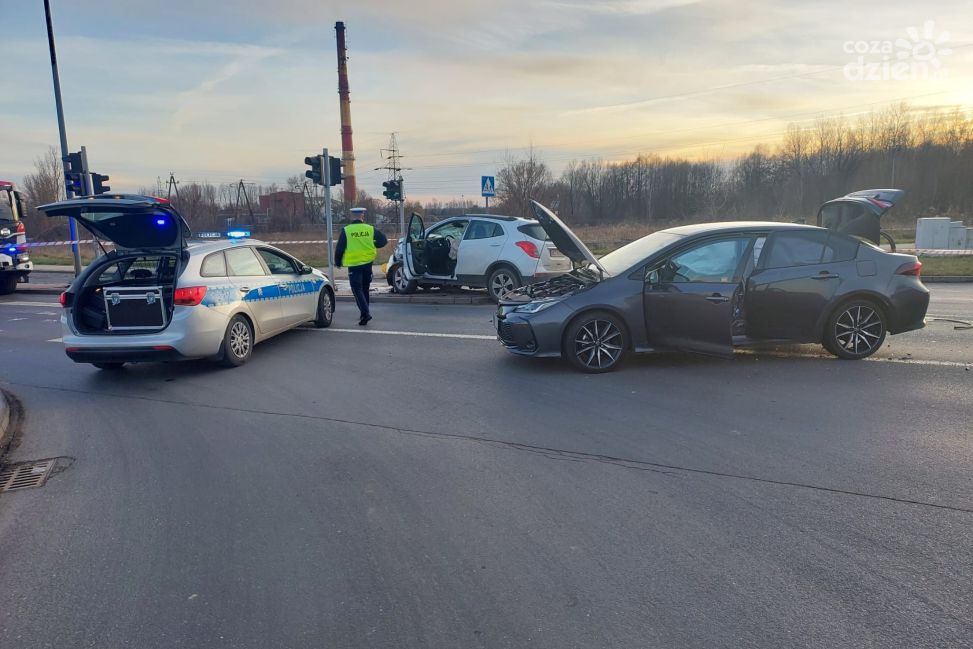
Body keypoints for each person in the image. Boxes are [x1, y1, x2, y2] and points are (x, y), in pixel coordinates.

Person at [335, 207, 387, 325]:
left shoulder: (347, 230)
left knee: (356, 289)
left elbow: (340, 248)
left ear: (352, 216)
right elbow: (383, 241)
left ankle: (366, 313)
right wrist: (373, 243)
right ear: (362, 216)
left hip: (354, 265)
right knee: (364, 288)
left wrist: (338, 262)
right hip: (368, 263)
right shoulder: (370, 229)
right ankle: (364, 313)